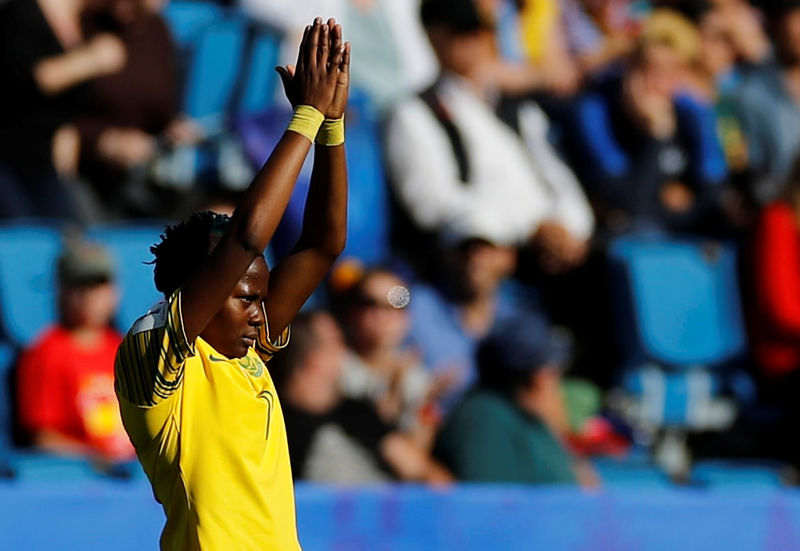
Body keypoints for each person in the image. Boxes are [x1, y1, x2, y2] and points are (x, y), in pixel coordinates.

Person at [114, 18, 349, 550]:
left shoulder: (249, 355)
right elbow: (245, 238)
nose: (262, 314)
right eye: (245, 297)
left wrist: (332, 126)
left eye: (262, 300)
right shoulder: (156, 359)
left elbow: (321, 246)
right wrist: (305, 118)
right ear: (198, 288)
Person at [385, 0, 594, 273]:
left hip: (550, 256)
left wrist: (567, 227)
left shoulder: (518, 107)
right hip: (476, 263)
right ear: (435, 37)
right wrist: (528, 229)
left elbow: (558, 175)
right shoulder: (413, 113)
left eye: (483, 31)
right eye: (465, 33)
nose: (478, 41)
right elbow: (432, 205)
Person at [570, 9, 728, 235]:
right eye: (648, 68)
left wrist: (674, 205)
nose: (656, 82)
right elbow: (629, 207)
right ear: (630, 67)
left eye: (668, 72)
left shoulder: (691, 112)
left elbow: (714, 197)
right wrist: (655, 136)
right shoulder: (594, 110)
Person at [272, 311, 452, 484]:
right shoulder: (272, 422)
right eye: (338, 342)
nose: (345, 352)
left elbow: (426, 474)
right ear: (315, 360)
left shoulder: (357, 413)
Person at [0, 0, 126, 220]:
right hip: (9, 156)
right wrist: (92, 59)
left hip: (48, 161)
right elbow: (32, 78)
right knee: (24, 238)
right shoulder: (19, 12)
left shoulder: (90, 22)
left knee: (68, 236)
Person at [434, 316, 592, 485]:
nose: (557, 382)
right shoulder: (484, 418)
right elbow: (487, 502)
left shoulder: (531, 419)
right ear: (537, 379)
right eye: (553, 370)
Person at [17, 238, 133, 461]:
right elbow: (44, 438)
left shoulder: (125, 348)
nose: (90, 297)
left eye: (98, 285)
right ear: (62, 292)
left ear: (114, 292)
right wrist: (99, 458)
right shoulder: (47, 352)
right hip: (85, 480)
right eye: (79, 286)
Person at [332, 267, 442, 447]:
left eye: (398, 302)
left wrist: (426, 402)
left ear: (408, 317)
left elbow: (419, 452)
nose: (383, 315)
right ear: (350, 311)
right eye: (370, 303)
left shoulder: (418, 377)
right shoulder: (333, 367)